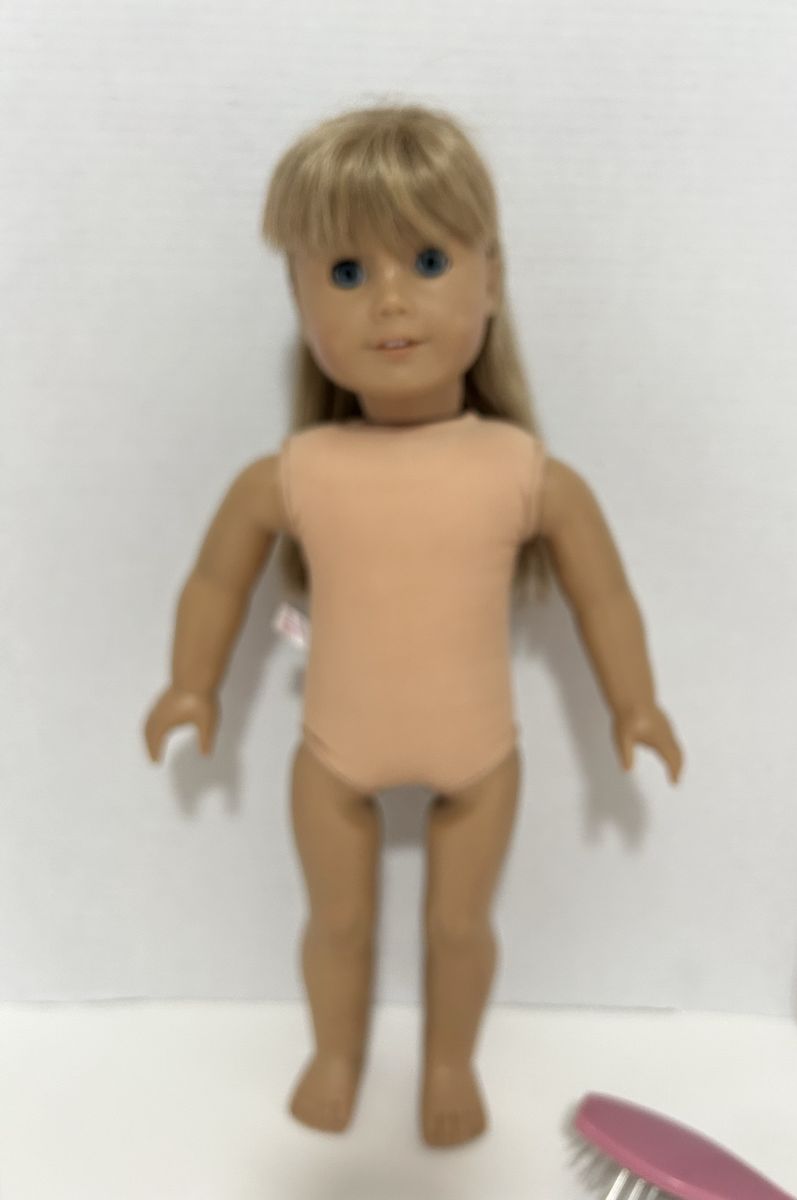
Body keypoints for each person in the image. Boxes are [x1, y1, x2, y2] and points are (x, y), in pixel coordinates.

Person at [143, 103, 684, 1149]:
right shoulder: (293, 473)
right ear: (300, 298)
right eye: (347, 272)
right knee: (337, 921)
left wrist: (636, 703)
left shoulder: (525, 472)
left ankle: (449, 1062)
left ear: (492, 278)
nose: (390, 300)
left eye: (428, 261)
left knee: (459, 925)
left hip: (479, 757)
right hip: (331, 754)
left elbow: (605, 597)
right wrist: (192, 683)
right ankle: (334, 1054)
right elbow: (215, 582)